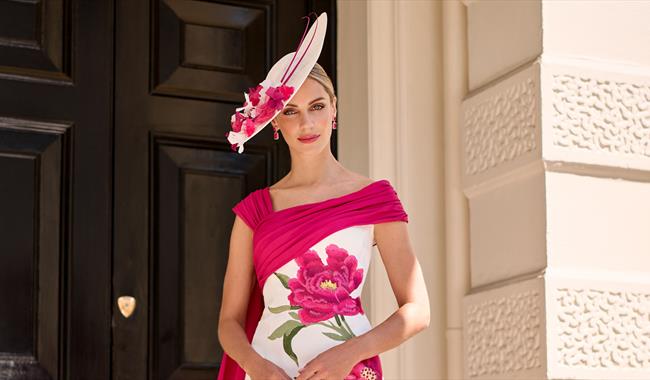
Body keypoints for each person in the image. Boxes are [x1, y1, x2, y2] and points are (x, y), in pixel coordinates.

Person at [218, 12, 430, 380]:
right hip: (271, 372)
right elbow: (229, 323)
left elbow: (417, 310)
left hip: (347, 371)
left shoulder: (374, 199)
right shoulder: (254, 211)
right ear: (275, 124)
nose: (306, 123)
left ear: (334, 109)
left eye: (317, 106)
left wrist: (350, 353)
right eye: (290, 111)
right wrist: (258, 368)